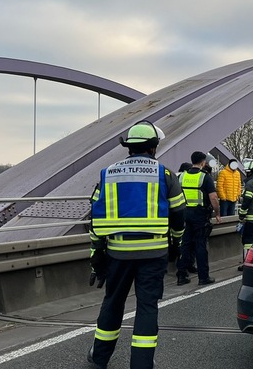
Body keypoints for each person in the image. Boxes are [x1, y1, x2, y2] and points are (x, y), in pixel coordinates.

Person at [87, 120, 186, 369]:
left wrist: (96, 252)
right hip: (154, 254)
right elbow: (178, 212)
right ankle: (141, 364)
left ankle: (99, 359)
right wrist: (177, 241)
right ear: (153, 147)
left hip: (118, 253)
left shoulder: (108, 174)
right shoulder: (164, 174)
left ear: (129, 147)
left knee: (113, 303)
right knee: (146, 307)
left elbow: (96, 217)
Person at [176, 151, 222, 286]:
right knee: (200, 245)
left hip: (184, 214)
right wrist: (217, 213)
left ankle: (182, 275)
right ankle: (203, 277)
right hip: (199, 215)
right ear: (203, 162)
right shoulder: (204, 177)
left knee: (185, 245)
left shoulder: (182, 176)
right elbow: (213, 198)